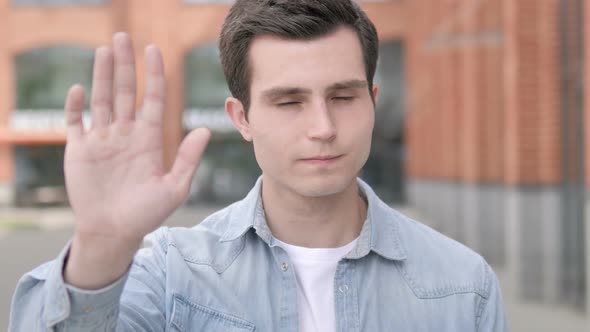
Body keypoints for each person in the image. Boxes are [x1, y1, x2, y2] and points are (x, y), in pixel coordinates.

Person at [9, 0, 508, 331]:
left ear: (373, 101)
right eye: (289, 102)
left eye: (342, 96)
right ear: (242, 118)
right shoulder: (174, 273)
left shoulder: (464, 286)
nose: (323, 126)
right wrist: (101, 244)